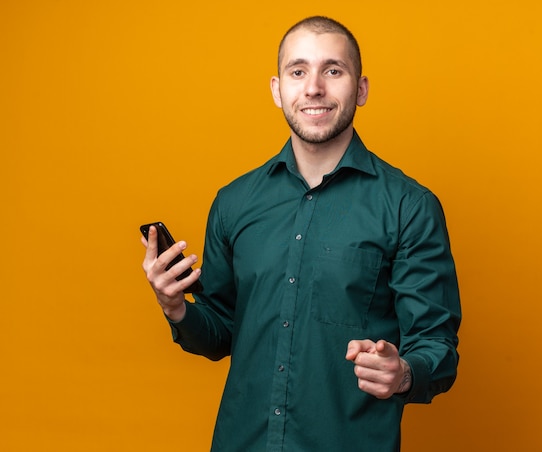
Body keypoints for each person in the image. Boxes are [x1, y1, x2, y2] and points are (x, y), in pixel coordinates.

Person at [141, 15, 461, 451]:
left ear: (361, 89)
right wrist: (176, 306)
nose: (314, 87)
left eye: (333, 70)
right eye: (298, 71)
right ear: (278, 90)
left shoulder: (409, 206)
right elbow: (220, 333)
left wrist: (403, 373)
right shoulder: (234, 202)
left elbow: (436, 346)